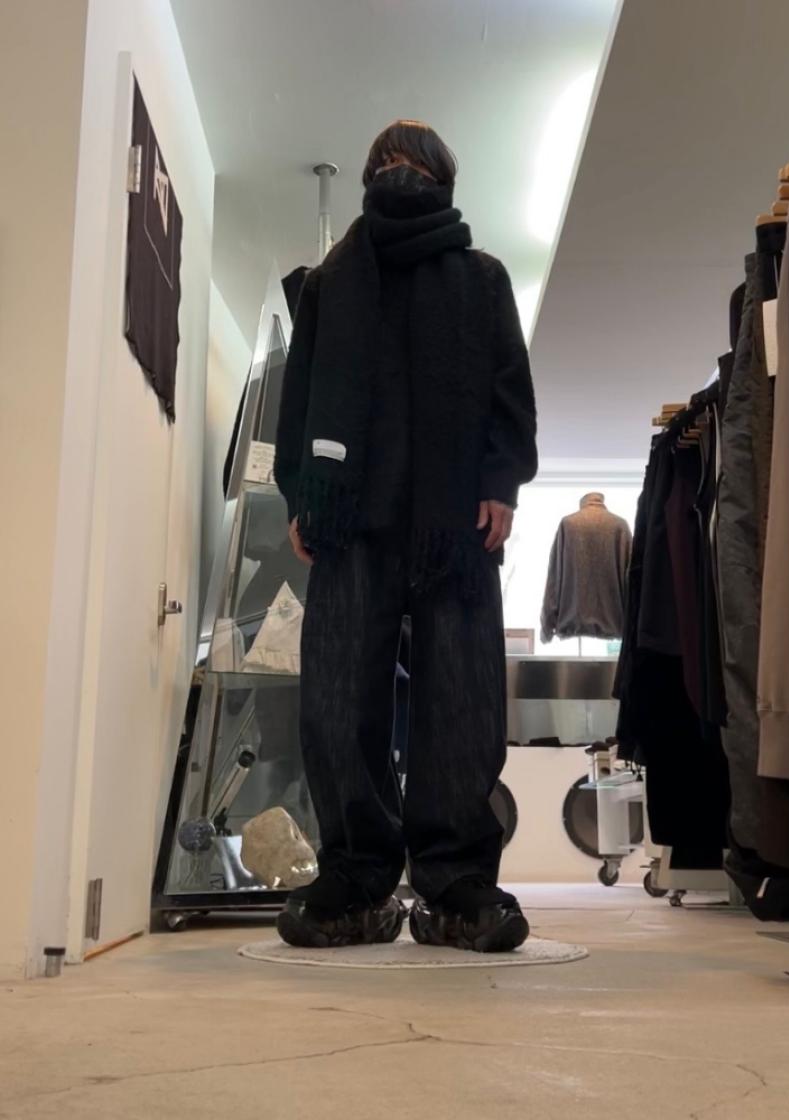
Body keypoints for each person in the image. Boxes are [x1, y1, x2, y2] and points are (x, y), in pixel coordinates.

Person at [274, 119, 538, 952]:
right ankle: (355, 874)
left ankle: (457, 881)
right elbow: (300, 395)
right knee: (336, 699)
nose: (399, 173)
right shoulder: (331, 282)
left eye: (414, 164)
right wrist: (300, 494)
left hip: (455, 521)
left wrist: (501, 483)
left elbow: (509, 388)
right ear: (366, 178)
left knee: (461, 700)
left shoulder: (483, 278)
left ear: (443, 179)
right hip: (352, 517)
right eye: (385, 163)